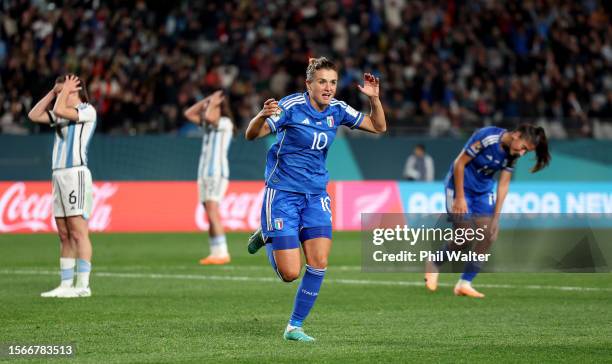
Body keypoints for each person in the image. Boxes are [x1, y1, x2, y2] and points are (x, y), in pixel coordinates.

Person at [244, 57, 386, 342]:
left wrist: (375, 100)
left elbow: (378, 126)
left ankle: (294, 327)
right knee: (289, 274)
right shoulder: (291, 107)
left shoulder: (337, 109)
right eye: (322, 81)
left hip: (316, 195)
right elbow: (252, 135)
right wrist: (261, 115)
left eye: (333, 82)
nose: (328, 87)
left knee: (319, 261)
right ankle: (267, 234)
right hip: (283, 194)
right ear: (308, 84)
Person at [425, 124, 551, 298]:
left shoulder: (512, 154)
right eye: (523, 147)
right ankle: (434, 262)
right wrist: (460, 198)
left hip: (483, 192)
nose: (522, 153)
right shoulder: (487, 137)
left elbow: (504, 184)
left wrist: (496, 218)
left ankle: (464, 283)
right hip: (459, 188)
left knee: (489, 234)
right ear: (516, 135)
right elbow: (459, 163)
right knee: (465, 235)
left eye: (526, 151)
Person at [28, 74, 97, 298]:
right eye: (58, 93)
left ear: (75, 89)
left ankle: (83, 285)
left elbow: (59, 110)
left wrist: (63, 91)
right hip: (58, 175)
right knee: (64, 233)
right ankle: (65, 285)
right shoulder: (60, 112)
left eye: (64, 91)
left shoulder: (87, 110)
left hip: (75, 173)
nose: (59, 95)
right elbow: (33, 115)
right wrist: (52, 92)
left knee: (78, 232)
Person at [184, 90, 234, 265]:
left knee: (213, 212)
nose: (207, 109)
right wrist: (207, 99)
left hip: (216, 173)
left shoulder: (225, 123)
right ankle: (215, 252)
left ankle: (222, 252)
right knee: (209, 212)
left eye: (211, 106)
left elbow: (210, 117)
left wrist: (213, 102)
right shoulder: (209, 125)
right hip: (204, 173)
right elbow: (188, 113)